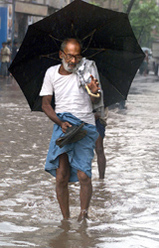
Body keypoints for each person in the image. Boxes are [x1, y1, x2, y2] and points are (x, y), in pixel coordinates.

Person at [39, 38, 101, 221]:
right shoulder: (51, 73)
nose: (73, 61)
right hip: (63, 126)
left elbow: (96, 101)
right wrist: (59, 122)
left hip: (85, 126)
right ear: (61, 55)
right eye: (70, 56)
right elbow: (45, 104)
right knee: (61, 176)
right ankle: (65, 219)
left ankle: (83, 215)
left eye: (77, 56)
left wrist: (94, 92)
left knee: (84, 175)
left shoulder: (87, 70)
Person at [95, 107, 108, 179]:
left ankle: (101, 178)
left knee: (99, 148)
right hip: (81, 118)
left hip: (98, 120)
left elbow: (101, 113)